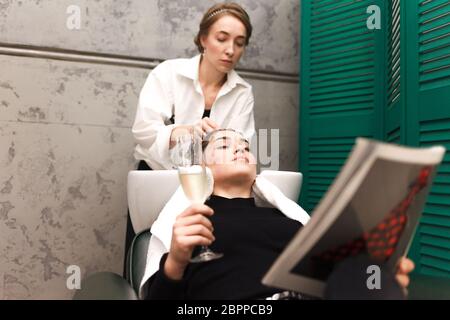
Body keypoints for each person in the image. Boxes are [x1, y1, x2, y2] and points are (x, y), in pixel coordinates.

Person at [144, 129, 415, 300]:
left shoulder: (289, 222)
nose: (241, 149)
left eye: (246, 147)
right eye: (225, 145)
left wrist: (375, 279)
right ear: (202, 166)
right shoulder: (192, 226)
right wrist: (176, 261)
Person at [125, 2, 256, 270]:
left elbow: (241, 142)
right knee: (146, 257)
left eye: (239, 43)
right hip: (156, 180)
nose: (231, 50)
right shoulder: (168, 74)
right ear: (202, 38)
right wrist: (182, 131)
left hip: (206, 186)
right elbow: (143, 131)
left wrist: (227, 145)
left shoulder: (242, 92)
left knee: (195, 260)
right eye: (222, 38)